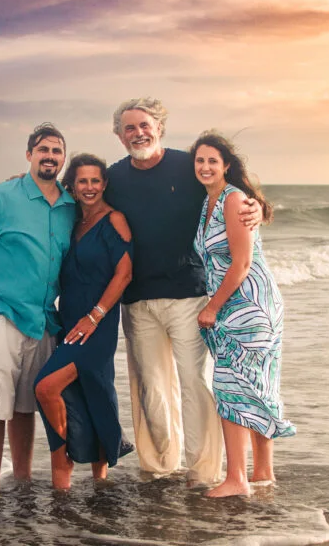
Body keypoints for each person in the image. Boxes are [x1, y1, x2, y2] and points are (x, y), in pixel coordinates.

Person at [104, 97, 263, 486]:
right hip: (138, 301)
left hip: (191, 296)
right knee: (152, 390)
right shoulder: (115, 177)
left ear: (159, 127)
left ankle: (203, 471)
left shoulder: (187, 166)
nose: (138, 132)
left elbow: (228, 192)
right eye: (129, 127)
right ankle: (160, 467)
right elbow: (84, 206)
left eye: (145, 125)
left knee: (196, 384)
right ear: (119, 136)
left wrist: (256, 206)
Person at [0, 122, 77, 493]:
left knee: (25, 407)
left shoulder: (69, 206)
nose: (50, 156)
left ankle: (21, 480)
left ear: (63, 159)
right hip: (0, 316)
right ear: (29, 155)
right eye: (43, 149)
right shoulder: (2, 197)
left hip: (42, 321)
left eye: (56, 151)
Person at [191, 130, 296, 497]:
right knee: (256, 384)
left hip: (248, 304)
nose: (205, 167)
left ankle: (236, 479)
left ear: (227, 166)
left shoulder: (233, 199)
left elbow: (243, 262)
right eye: (200, 161)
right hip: (246, 302)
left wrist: (212, 307)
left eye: (212, 161)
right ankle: (263, 473)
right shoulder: (210, 202)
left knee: (230, 386)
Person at [34, 154, 135, 490]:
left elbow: (124, 274)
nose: (89, 187)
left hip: (97, 325)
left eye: (95, 180)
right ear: (73, 187)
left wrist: (96, 316)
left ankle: (65, 459)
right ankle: (89, 484)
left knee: (46, 387)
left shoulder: (114, 219)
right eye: (82, 181)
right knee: (87, 393)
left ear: (104, 184)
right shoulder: (73, 222)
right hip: (70, 321)